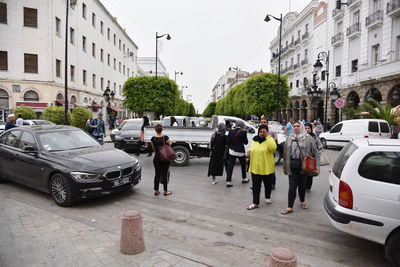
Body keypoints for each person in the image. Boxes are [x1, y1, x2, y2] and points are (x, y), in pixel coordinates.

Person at [281, 121, 320, 214]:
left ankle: (302, 201)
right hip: (292, 166)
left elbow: (315, 153)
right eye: (294, 126)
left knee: (302, 186)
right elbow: (285, 153)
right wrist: (285, 166)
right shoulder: (290, 138)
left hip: (304, 166)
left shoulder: (308, 138)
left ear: (301, 127)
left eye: (298, 126)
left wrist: (317, 166)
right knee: (292, 186)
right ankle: (290, 206)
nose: (296, 128)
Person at [246, 125, 277, 210]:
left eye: (264, 131)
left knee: (268, 185)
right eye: (261, 131)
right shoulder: (255, 140)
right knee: (255, 186)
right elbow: (252, 149)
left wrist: (267, 136)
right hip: (255, 168)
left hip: (266, 168)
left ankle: (267, 197)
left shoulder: (269, 140)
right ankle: (255, 203)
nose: (262, 133)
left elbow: (273, 148)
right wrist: (249, 152)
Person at [151, 124, 172, 196]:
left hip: (156, 158)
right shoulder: (165, 138)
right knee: (164, 174)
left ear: (155, 130)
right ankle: (166, 191)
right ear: (162, 129)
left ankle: (156, 190)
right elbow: (169, 146)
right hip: (165, 158)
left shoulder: (153, 139)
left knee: (157, 174)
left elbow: (154, 149)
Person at [225, 120, 248, 187]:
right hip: (241, 152)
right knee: (243, 165)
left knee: (230, 166)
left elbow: (227, 141)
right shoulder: (243, 132)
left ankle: (228, 181)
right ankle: (244, 178)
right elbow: (246, 142)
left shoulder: (231, 131)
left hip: (232, 151)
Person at [260, 118, 278, 190]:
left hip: (270, 152)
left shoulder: (272, 131)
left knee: (271, 168)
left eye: (264, 122)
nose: (263, 123)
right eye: (261, 122)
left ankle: (272, 183)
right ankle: (258, 184)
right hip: (261, 152)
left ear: (267, 123)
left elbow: (276, 141)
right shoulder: (259, 131)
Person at [305, 123, 323, 192]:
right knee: (303, 173)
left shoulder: (314, 136)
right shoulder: (302, 136)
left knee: (310, 174)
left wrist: (316, 150)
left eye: (308, 128)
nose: (307, 130)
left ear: (311, 129)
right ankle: (303, 186)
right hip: (304, 158)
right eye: (306, 128)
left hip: (312, 159)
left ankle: (308, 187)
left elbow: (320, 146)